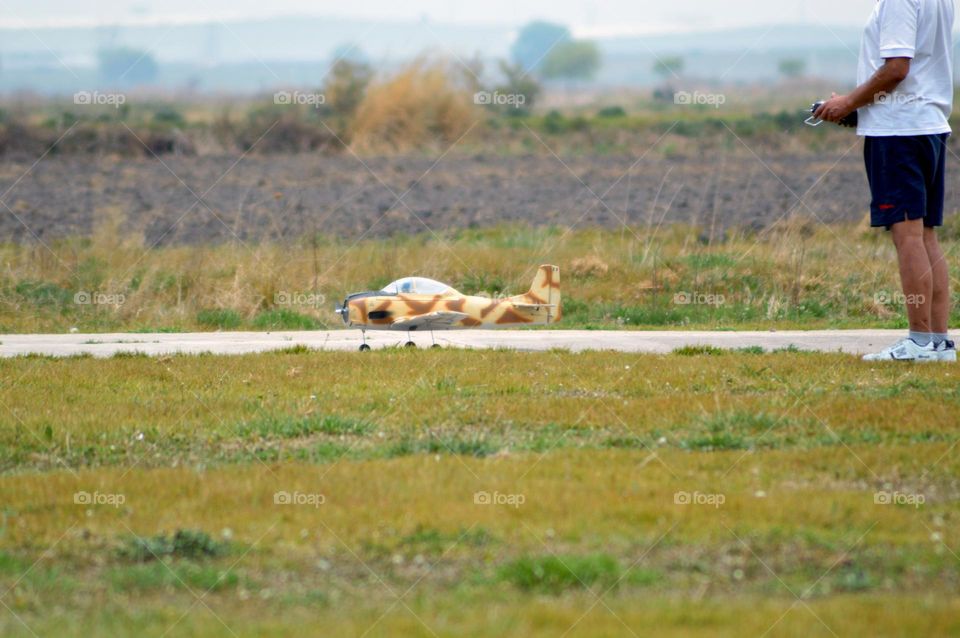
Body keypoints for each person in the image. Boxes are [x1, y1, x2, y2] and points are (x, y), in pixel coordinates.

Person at [816, 0, 955, 362]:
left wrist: (848, 103)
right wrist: (856, 103)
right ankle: (939, 343)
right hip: (930, 124)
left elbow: (896, 69)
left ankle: (919, 343)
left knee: (907, 235)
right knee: (925, 234)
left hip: (899, 131)